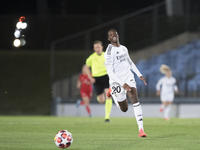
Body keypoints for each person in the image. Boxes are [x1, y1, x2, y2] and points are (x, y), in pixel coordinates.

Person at [105, 29, 147, 137]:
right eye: (110, 35)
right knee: (124, 109)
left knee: (134, 98)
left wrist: (139, 75)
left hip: (128, 77)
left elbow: (130, 62)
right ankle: (111, 91)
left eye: (115, 33)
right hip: (116, 81)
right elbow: (110, 72)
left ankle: (141, 129)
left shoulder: (124, 48)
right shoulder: (109, 51)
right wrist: (122, 84)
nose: (113, 35)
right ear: (109, 39)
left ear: (117, 35)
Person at [85, 40, 112, 122]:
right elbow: (86, 68)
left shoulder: (106, 56)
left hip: (106, 77)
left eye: (98, 47)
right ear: (94, 49)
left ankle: (107, 117)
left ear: (102, 47)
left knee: (108, 95)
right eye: (95, 47)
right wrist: (90, 78)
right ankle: (101, 98)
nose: (97, 49)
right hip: (96, 79)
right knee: (101, 100)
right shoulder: (91, 58)